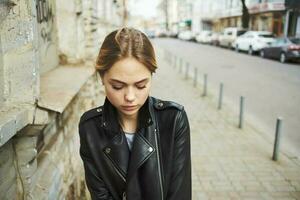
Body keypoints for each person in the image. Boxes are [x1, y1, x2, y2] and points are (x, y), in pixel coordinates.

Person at [78, 27, 191, 200]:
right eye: (117, 86)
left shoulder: (173, 119)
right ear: (102, 77)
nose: (130, 97)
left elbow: (179, 194)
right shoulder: (90, 127)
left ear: (151, 76)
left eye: (140, 86)